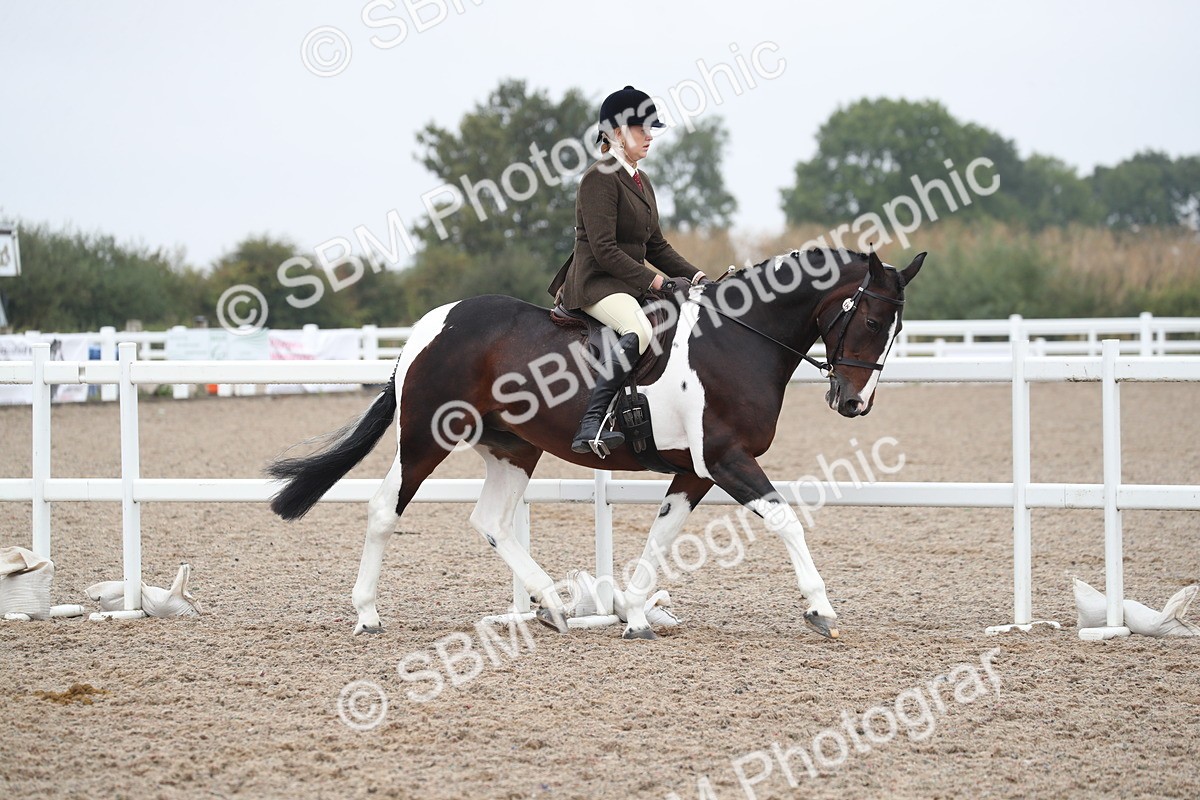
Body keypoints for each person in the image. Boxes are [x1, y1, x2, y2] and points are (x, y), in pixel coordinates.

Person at [548, 85, 708, 456]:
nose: (650, 136)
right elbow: (604, 250)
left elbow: (657, 246)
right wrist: (657, 281)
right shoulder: (599, 178)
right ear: (617, 133)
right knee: (639, 329)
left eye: (651, 129)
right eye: (642, 129)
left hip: (627, 283)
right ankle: (592, 422)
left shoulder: (640, 179)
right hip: (596, 284)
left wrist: (699, 278)